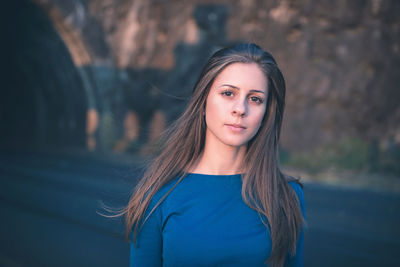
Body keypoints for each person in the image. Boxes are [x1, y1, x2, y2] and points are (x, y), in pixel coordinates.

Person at [123, 43, 306, 267]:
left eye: (255, 99)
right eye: (228, 93)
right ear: (203, 100)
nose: (240, 109)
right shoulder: (158, 194)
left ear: (267, 112)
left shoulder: (286, 196)